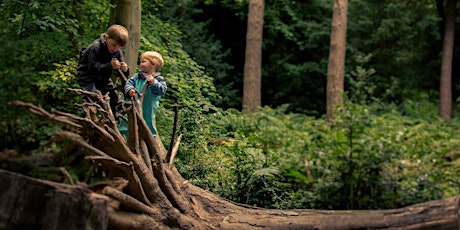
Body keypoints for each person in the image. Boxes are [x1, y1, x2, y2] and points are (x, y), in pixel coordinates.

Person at [76, 24, 130, 116]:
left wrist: (124, 69)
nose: (115, 49)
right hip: (87, 76)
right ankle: (87, 119)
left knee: (115, 98)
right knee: (91, 97)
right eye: (114, 45)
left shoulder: (117, 52)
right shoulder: (95, 48)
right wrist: (110, 66)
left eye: (119, 47)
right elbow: (92, 68)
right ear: (106, 38)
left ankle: (117, 118)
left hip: (103, 78)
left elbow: (120, 72)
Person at [118, 51, 167, 137]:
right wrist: (130, 89)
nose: (140, 64)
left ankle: (148, 135)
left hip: (148, 106)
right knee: (128, 118)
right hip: (133, 103)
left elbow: (162, 90)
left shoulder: (159, 79)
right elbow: (128, 83)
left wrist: (153, 82)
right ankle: (124, 132)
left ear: (153, 64)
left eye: (143, 62)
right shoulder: (137, 77)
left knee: (147, 120)